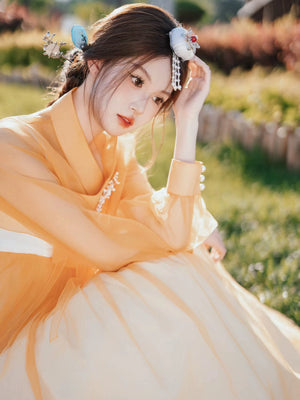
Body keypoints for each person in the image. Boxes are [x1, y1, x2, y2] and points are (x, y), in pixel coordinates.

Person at [0, 3, 299, 400]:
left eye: (159, 99)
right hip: (16, 326)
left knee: (183, 266)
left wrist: (188, 121)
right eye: (136, 80)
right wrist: (185, 232)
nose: (142, 108)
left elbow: (172, 232)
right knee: (169, 270)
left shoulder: (115, 151)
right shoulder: (12, 146)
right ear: (96, 61)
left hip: (65, 322)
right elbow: (106, 249)